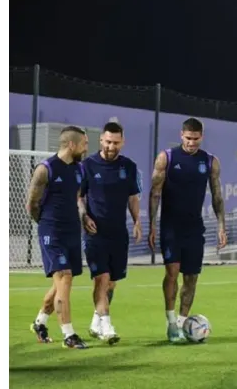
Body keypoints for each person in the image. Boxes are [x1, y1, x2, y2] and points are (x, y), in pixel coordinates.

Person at [147, 118, 227, 343]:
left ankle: (182, 323)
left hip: (194, 228)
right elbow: (155, 193)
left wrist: (222, 226)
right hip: (170, 227)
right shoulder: (167, 158)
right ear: (181, 135)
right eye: (188, 138)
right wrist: (152, 225)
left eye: (196, 139)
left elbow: (217, 196)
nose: (192, 143)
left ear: (201, 137)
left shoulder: (210, 162)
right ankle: (171, 322)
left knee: (191, 278)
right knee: (172, 273)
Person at [78, 122, 142, 345]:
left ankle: (96, 320)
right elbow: (78, 196)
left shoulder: (129, 167)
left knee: (111, 283)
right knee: (101, 280)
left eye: (115, 143)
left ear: (122, 142)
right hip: (95, 233)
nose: (110, 146)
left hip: (119, 234)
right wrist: (84, 216)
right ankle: (107, 326)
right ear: (100, 141)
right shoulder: (87, 165)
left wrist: (136, 222)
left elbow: (133, 197)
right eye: (107, 142)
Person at [26, 126, 89, 349]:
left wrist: (83, 218)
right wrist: (46, 226)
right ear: (72, 144)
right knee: (65, 276)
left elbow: (76, 199)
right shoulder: (45, 169)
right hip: (52, 232)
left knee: (59, 284)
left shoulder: (80, 169)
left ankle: (40, 322)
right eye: (84, 144)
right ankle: (69, 335)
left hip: (72, 231)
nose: (86, 148)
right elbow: (31, 204)